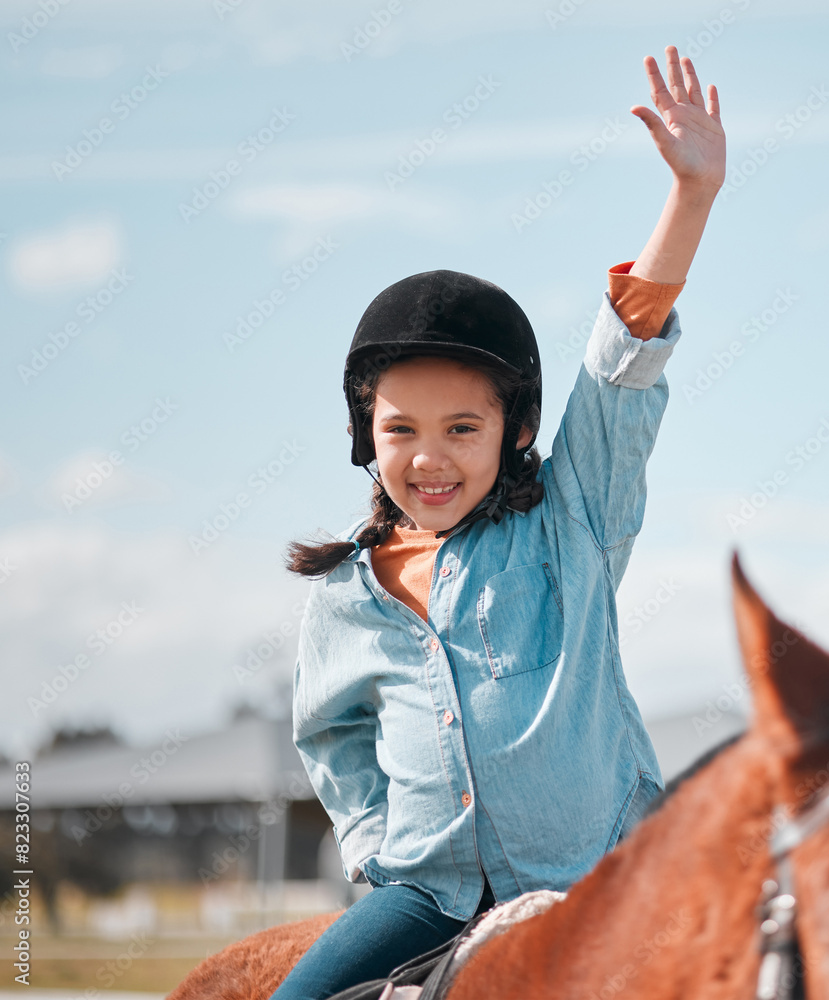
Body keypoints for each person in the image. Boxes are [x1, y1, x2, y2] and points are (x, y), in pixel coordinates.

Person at [271, 45, 725, 1000]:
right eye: (400, 429)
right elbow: (332, 737)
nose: (429, 457)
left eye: (462, 428)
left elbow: (621, 368)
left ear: (515, 431)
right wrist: (371, 846)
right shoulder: (344, 600)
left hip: (602, 882)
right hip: (423, 896)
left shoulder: (574, 521)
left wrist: (689, 197)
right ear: (367, 435)